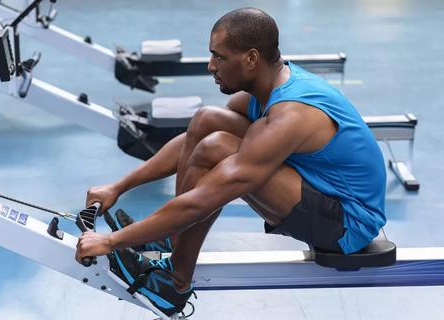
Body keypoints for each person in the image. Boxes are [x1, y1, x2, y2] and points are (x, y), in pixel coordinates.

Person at [75, 7, 386, 317]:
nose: (211, 65)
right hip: (321, 186)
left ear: (250, 59)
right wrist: (118, 187)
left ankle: (175, 282)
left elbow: (206, 198)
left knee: (219, 150)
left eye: (219, 57)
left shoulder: (290, 113)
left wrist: (111, 241)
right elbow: (191, 141)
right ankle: (172, 240)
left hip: (349, 222)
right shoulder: (269, 85)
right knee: (207, 120)